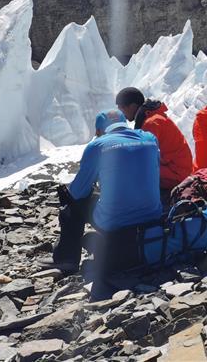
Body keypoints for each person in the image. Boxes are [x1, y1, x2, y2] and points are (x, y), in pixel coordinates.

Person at [40, 110, 163, 274]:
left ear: (98, 131)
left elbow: (77, 192)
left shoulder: (98, 146)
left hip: (116, 221)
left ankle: (66, 259)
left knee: (73, 203)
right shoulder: (149, 138)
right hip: (152, 217)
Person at [116, 87, 192, 194]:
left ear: (132, 106)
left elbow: (143, 157)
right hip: (177, 169)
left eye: (122, 109)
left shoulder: (151, 123)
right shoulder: (152, 118)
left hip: (176, 173)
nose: (122, 114)